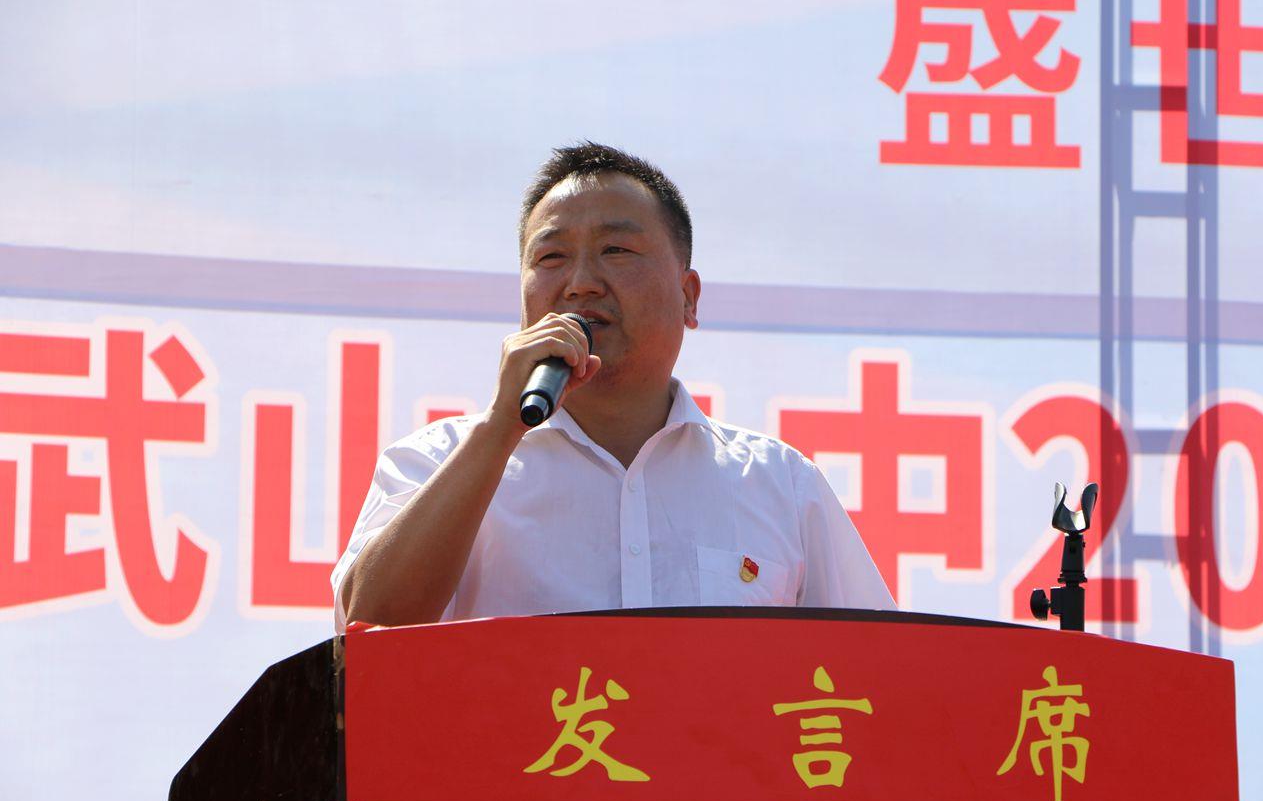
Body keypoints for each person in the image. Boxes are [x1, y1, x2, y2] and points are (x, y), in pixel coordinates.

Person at [332, 142, 893, 630]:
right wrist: (500, 428)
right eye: (552, 257)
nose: (580, 284)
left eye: (615, 251)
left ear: (689, 296)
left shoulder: (780, 484)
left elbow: (880, 670)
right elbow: (364, 638)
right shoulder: (436, 461)